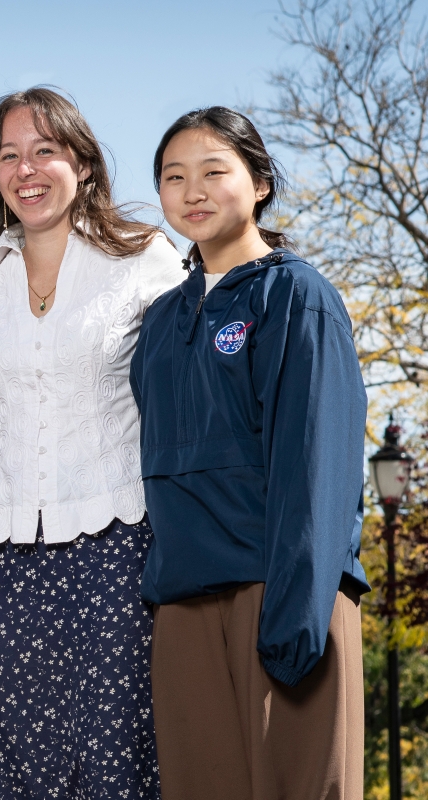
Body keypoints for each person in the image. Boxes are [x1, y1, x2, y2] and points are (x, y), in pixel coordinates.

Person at [133, 106, 367, 800]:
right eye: (174, 177)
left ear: (259, 182)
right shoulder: (159, 322)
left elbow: (317, 463)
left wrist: (297, 615)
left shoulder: (296, 296)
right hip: (184, 606)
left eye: (213, 171)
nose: (192, 191)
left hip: (286, 595)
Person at [0, 87, 182, 799]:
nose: (27, 169)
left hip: (119, 546)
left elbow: (190, 392)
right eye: (8, 155)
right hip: (7, 555)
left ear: (83, 163)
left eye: (45, 150)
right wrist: (16, 483)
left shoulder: (146, 257)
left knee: (117, 751)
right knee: (16, 758)